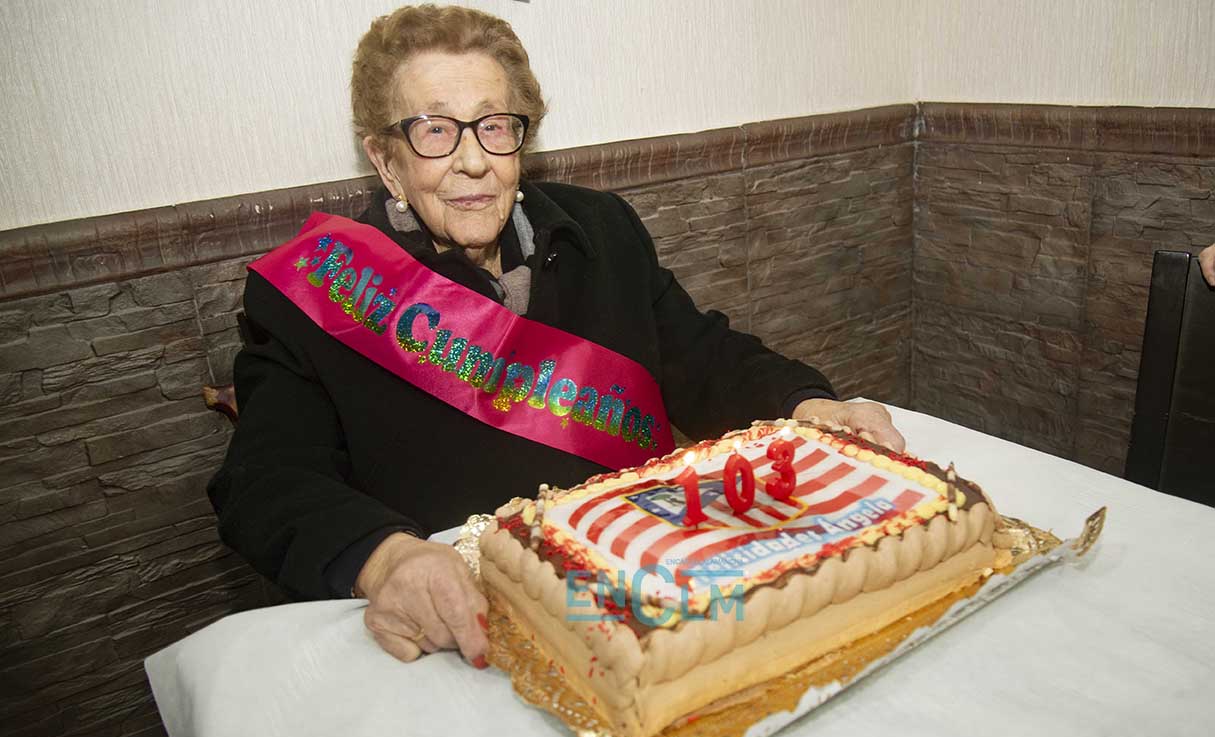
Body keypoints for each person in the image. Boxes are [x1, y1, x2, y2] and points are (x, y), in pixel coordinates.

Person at [207, 4, 904, 670]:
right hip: (464, 625)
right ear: (387, 160)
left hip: (645, 593)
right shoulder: (319, 292)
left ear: (521, 138)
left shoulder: (601, 231)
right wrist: (386, 558)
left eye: (493, 126)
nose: (472, 161)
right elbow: (264, 481)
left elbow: (702, 356)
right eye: (434, 131)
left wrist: (803, 403)